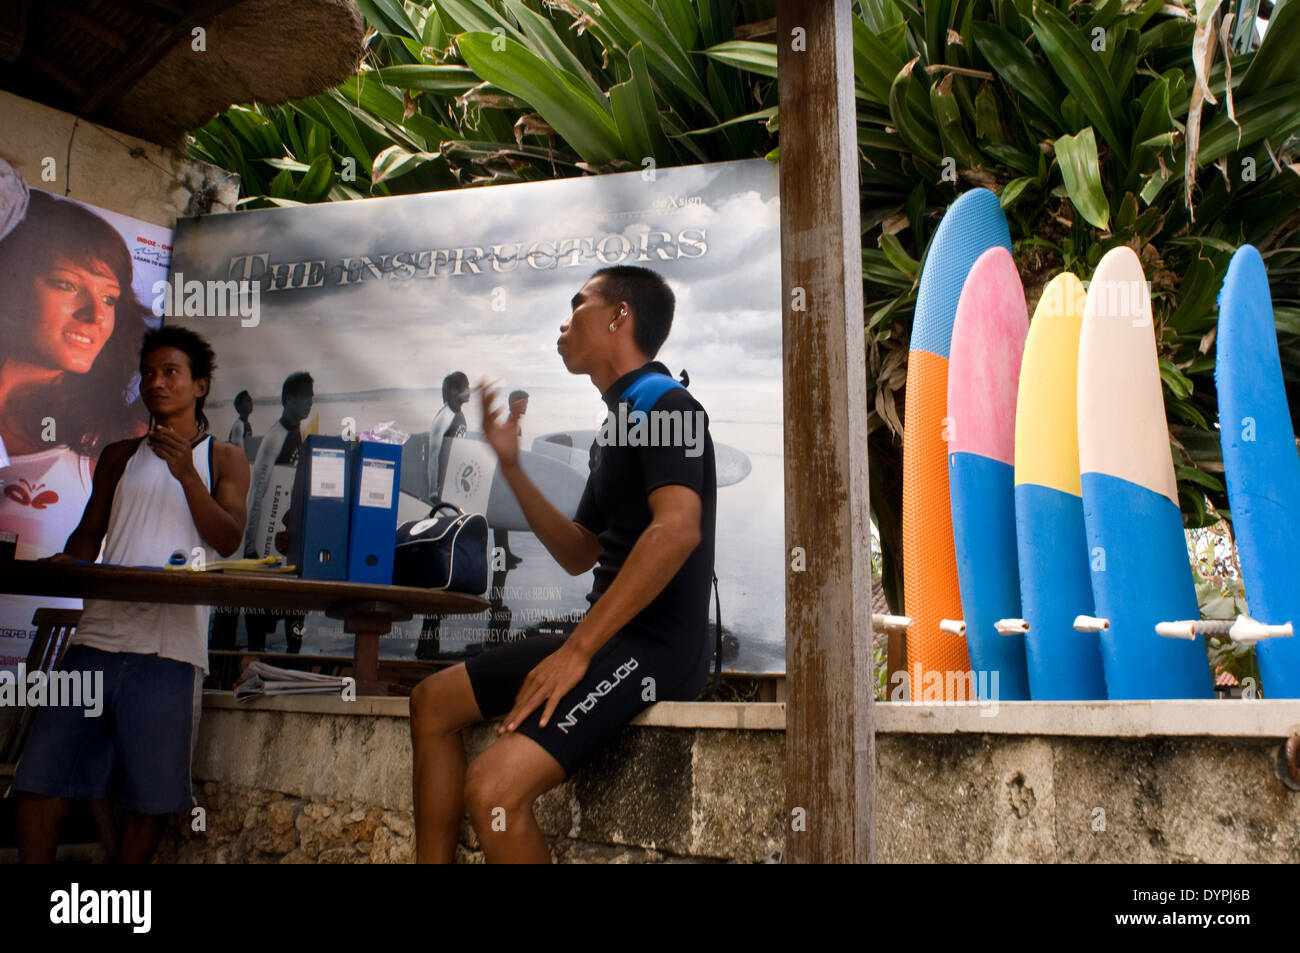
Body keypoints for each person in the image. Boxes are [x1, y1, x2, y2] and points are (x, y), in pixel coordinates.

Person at [408, 265, 716, 863]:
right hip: (605, 636)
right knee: (432, 704)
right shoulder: (617, 422)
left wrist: (576, 652)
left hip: (657, 647)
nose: (563, 321)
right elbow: (580, 551)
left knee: (494, 790)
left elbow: (677, 529)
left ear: (618, 316)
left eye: (577, 304)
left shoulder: (671, 405)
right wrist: (513, 466)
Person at [12, 325, 250, 863]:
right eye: (148, 372)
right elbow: (87, 539)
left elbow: (229, 540)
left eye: (171, 372)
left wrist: (187, 474)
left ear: (200, 385)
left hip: (168, 650)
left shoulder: (223, 459)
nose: (156, 382)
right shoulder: (118, 456)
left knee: (149, 801)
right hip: (95, 639)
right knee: (38, 784)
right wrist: (64, 562)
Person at [0, 187, 152, 671]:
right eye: (67, 285)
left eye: (109, 298)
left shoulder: (117, 435)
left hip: (46, 675)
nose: (95, 315)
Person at [242, 371, 312, 653]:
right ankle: (255, 657)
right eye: (303, 396)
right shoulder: (275, 436)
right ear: (287, 400)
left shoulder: (297, 433)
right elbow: (258, 489)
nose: (308, 402)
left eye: (311, 396)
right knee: (260, 606)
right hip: (266, 536)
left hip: (285, 533)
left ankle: (292, 658)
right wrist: (252, 544)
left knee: (296, 602)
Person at [493, 390, 529, 570]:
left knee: (502, 521)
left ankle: (505, 553)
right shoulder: (511, 425)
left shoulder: (513, 424)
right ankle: (500, 560)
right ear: (516, 404)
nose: (527, 406)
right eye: (524, 403)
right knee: (500, 521)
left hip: (504, 477)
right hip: (503, 479)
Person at [426, 371, 470, 504]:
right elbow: (433, 455)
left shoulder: (459, 414)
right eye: (466, 386)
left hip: (455, 483)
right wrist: (433, 492)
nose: (469, 390)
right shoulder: (444, 417)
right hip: (443, 488)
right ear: (455, 391)